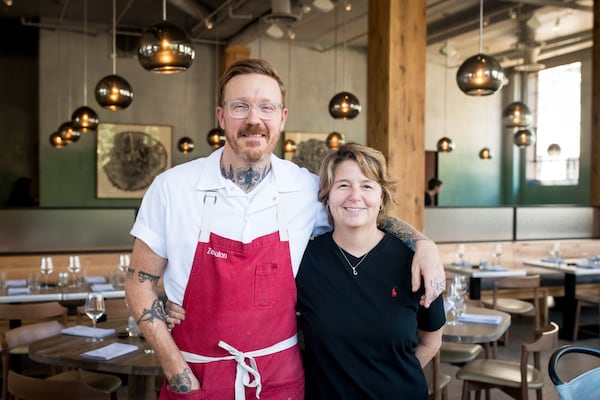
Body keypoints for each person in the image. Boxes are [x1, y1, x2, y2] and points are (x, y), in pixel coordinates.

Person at [126, 58, 445, 399]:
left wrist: (424, 244)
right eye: (240, 106)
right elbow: (138, 283)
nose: (254, 119)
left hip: (280, 382)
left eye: (266, 107)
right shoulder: (172, 188)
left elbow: (365, 212)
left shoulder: (305, 188)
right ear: (221, 116)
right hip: (197, 375)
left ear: (282, 117)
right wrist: (177, 371)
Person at [296, 143, 445, 399]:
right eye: (343, 185)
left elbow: (432, 341)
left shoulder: (415, 262)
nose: (355, 195)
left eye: (367, 186)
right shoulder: (304, 260)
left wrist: (389, 384)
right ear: (326, 197)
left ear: (381, 198)